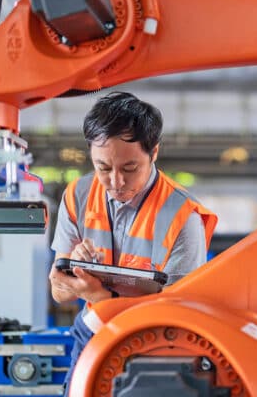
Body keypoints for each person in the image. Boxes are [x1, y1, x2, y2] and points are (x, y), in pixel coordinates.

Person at [48, 91, 218, 388]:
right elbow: (59, 293)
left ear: (153, 153)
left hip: (155, 348)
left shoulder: (182, 216)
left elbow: (178, 318)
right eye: (103, 168)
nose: (115, 182)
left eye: (130, 168)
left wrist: (99, 296)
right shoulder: (77, 195)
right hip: (92, 334)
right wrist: (72, 274)